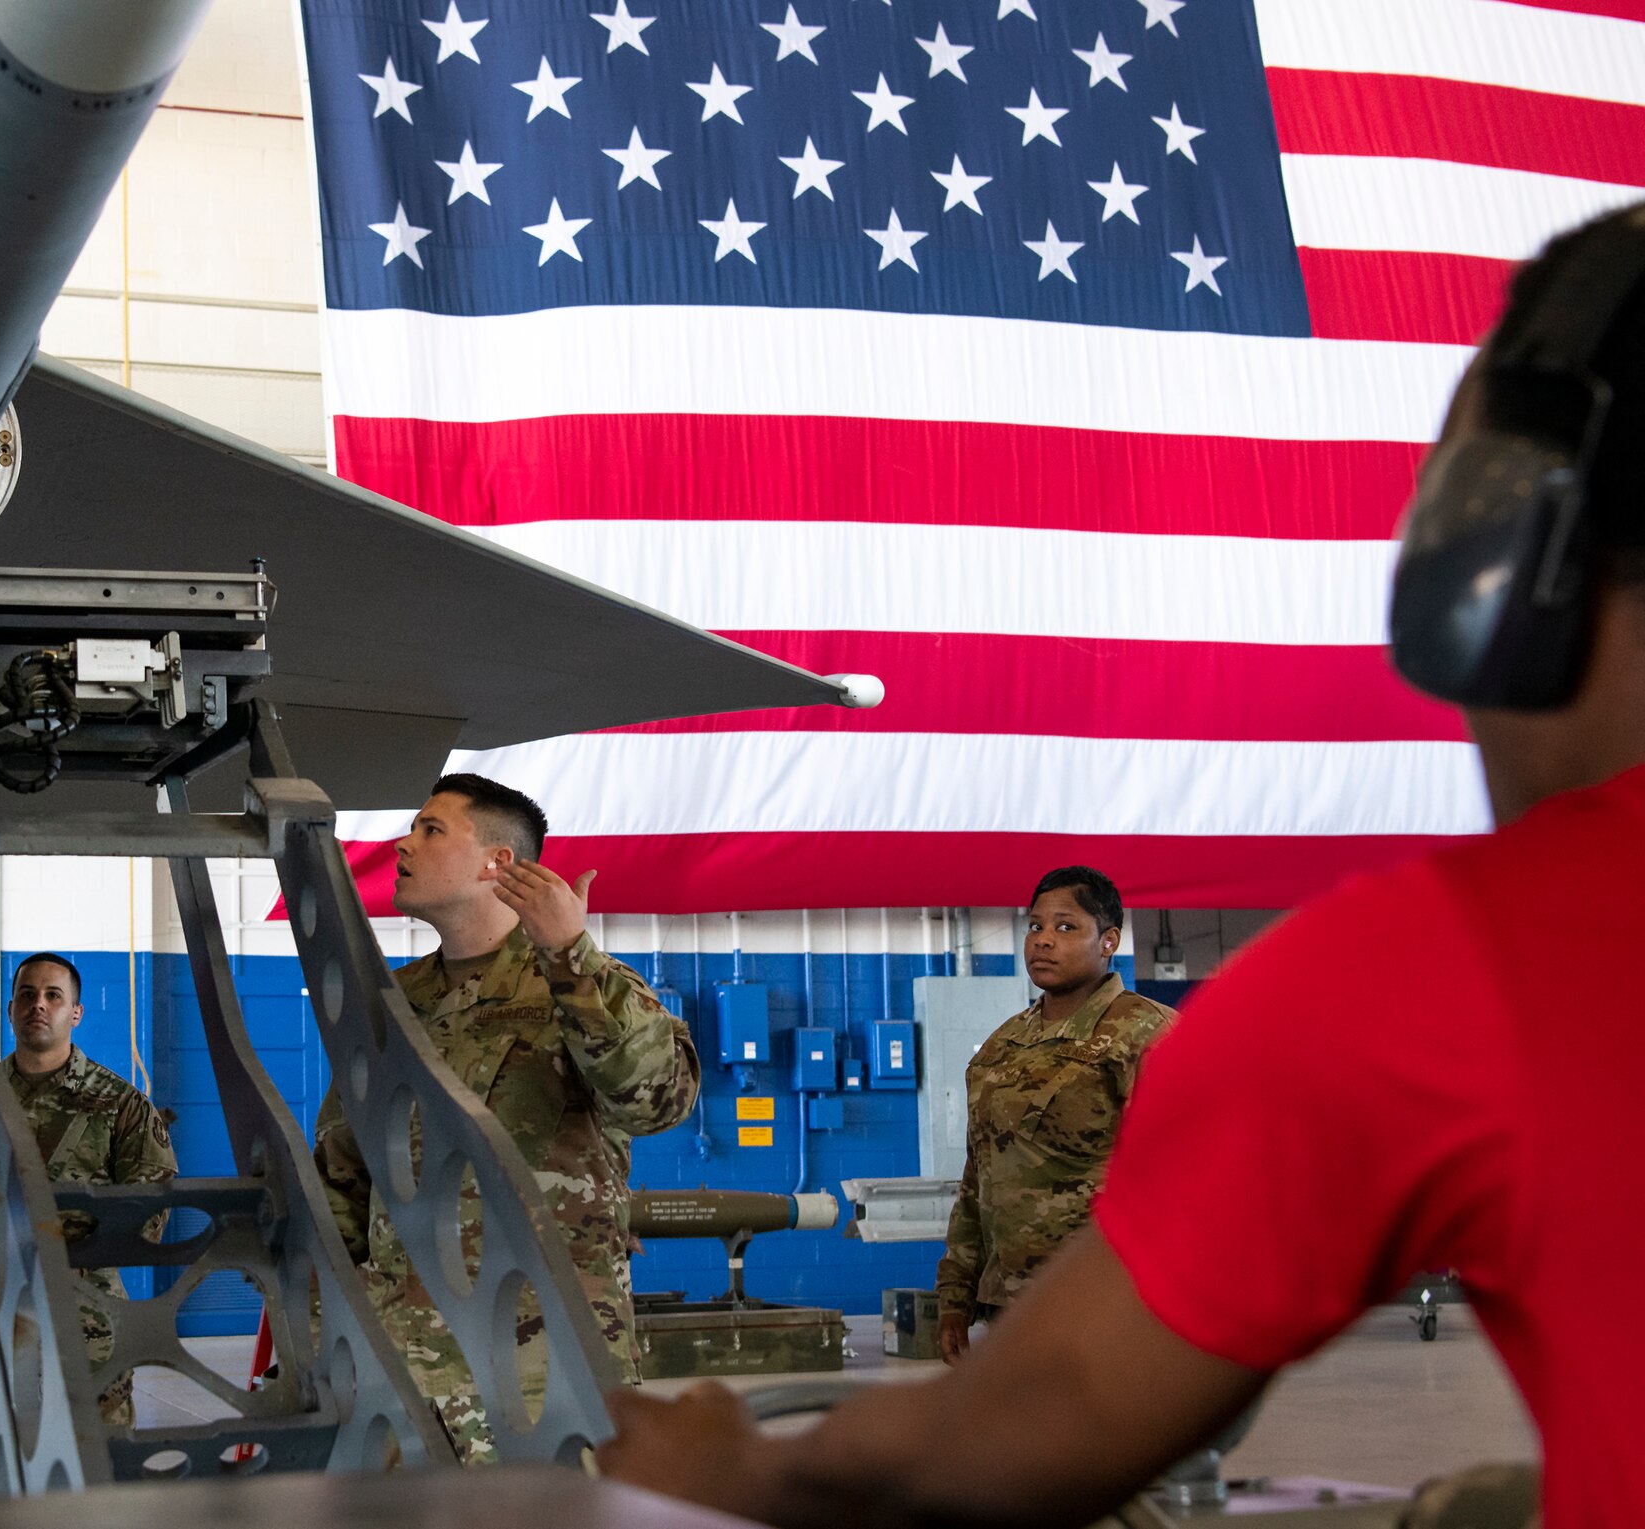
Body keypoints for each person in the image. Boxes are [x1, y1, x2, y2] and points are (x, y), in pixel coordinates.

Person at [600, 206, 1645, 1529]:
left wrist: (733, 1472)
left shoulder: (1440, 974)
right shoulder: (1014, 1050)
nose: (1039, 942)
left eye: (1058, 925)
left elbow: (1039, 1431)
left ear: (1484, 568)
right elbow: (985, 1197)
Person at [313, 773, 698, 1463]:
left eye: (432, 829)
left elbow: (657, 1101)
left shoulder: (578, 983)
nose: (405, 843)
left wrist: (571, 956)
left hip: (542, 1374)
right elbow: (344, 1170)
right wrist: (321, 1333)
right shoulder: (393, 1003)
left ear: (499, 862)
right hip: (399, 1375)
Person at [0, 952, 179, 1498]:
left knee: (97, 1475)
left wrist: (51, 1244)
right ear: (9, 1006)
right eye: (26, 994)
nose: (38, 1005)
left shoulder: (121, 1105)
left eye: (53, 996)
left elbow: (150, 1215)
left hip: (87, 1330)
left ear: (77, 1013)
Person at [935, 868, 1173, 1362]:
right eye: (1035, 926)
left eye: (1066, 927)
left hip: (1106, 1304)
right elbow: (978, 1179)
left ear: (1108, 941)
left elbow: (1185, 1175)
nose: (1043, 941)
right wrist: (956, 1295)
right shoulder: (1002, 1046)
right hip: (1009, 1304)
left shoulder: (1145, 1034)